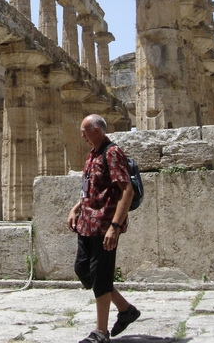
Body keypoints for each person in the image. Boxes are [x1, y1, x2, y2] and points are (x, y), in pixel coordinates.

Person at [67, 114, 140, 343]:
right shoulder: (93, 154)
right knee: (84, 270)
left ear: (97, 130)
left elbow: (126, 191)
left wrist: (115, 226)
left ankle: (101, 331)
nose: (82, 136)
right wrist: (76, 208)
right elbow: (93, 188)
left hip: (104, 226)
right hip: (86, 224)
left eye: (84, 131)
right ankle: (125, 309)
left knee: (100, 275)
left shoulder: (112, 153)